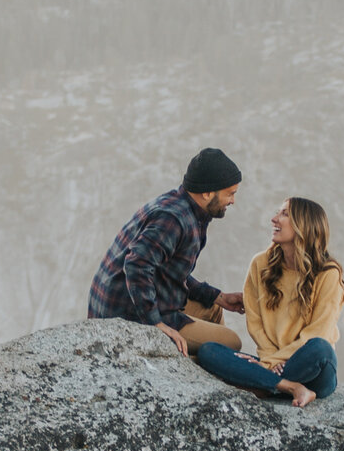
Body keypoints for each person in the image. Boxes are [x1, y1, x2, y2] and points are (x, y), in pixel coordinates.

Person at [191, 197, 344, 407]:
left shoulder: (328, 273)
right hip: (271, 364)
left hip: (311, 369)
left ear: (303, 225)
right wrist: (269, 360)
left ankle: (264, 385)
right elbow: (256, 325)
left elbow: (318, 332)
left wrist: (268, 365)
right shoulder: (260, 264)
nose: (274, 219)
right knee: (209, 351)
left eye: (284, 214)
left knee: (320, 348)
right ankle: (289, 387)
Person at [87, 148, 247, 354]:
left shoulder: (181, 206)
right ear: (207, 193)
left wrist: (219, 297)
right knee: (231, 343)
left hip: (140, 301)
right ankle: (191, 370)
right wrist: (156, 325)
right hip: (127, 315)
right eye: (230, 193)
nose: (233, 201)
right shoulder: (173, 219)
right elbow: (137, 264)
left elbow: (168, 270)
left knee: (212, 307)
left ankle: (208, 363)